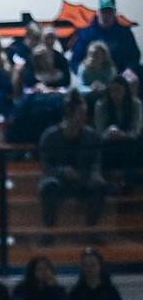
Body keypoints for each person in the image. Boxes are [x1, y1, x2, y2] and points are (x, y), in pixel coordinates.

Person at [39, 88, 107, 230]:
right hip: (58, 179)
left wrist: (95, 173)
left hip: (83, 177)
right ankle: (49, 231)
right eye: (80, 113)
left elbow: (96, 161)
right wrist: (62, 171)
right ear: (69, 113)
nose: (84, 117)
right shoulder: (50, 136)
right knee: (49, 188)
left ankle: (92, 230)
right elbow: (45, 166)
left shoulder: (91, 136)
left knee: (99, 187)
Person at [68, 0, 141, 77]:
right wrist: (83, 73)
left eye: (109, 12)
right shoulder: (85, 34)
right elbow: (75, 60)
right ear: (98, 12)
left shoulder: (125, 33)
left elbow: (134, 55)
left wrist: (130, 69)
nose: (106, 16)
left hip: (120, 76)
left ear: (114, 13)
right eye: (103, 12)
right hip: (92, 77)